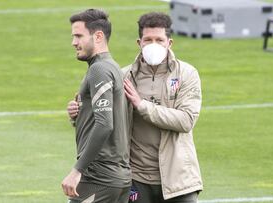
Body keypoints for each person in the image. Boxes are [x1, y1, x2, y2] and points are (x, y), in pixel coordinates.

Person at [123, 12, 203, 203]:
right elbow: (107, 119)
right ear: (139, 43)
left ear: (169, 42)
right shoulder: (124, 76)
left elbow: (186, 120)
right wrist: (77, 114)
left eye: (159, 40)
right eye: (148, 39)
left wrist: (142, 106)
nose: (153, 45)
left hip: (178, 179)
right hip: (137, 179)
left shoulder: (187, 74)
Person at [62, 9, 131, 203]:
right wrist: (80, 113)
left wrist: (77, 170)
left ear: (98, 36)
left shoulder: (99, 69)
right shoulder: (110, 66)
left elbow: (105, 124)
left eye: (78, 36)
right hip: (114, 176)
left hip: (99, 176)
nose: (73, 42)